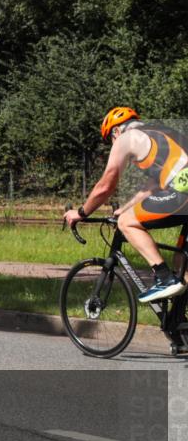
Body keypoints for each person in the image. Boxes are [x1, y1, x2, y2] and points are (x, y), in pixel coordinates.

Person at [64, 107, 188, 303]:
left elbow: (105, 186)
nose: (113, 145)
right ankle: (179, 319)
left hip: (183, 193)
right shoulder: (160, 133)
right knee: (182, 266)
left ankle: (164, 278)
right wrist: (126, 207)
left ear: (116, 131)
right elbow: (153, 186)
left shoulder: (126, 138)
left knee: (126, 222)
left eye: (110, 140)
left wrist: (81, 212)